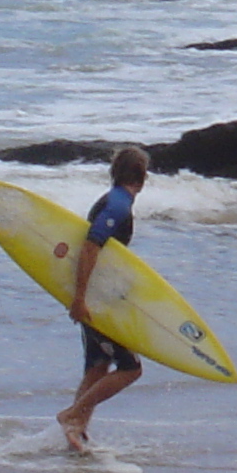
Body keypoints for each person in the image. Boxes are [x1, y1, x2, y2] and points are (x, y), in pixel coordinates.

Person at [59, 144, 149, 450]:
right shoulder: (118, 206)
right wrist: (80, 299)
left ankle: (75, 431)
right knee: (130, 368)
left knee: (98, 367)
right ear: (142, 175)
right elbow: (90, 246)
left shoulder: (112, 200)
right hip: (98, 302)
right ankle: (72, 415)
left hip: (96, 297)